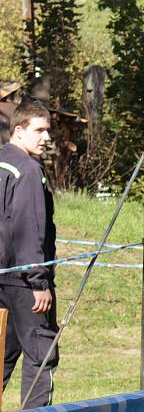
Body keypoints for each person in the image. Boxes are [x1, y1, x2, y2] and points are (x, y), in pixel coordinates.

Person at [0, 101, 58, 408]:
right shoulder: (28, 169)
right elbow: (28, 226)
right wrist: (39, 281)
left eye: (47, 130)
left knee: (2, 356)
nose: (46, 137)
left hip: (1, 279)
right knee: (41, 354)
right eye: (39, 130)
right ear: (19, 131)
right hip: (24, 282)